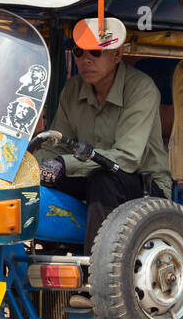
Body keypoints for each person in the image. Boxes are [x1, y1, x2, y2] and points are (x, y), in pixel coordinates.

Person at [35, 25, 172, 251]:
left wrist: (62, 164)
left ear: (117, 55)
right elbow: (56, 146)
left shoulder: (141, 89)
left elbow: (127, 158)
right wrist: (31, 167)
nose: (86, 59)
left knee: (103, 180)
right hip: (91, 177)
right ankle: (42, 262)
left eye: (95, 52)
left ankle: (96, 268)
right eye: (79, 52)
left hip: (144, 185)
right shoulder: (72, 89)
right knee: (41, 182)